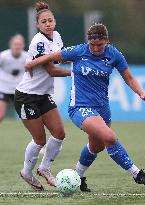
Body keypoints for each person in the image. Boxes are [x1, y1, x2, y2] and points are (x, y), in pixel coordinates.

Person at [25, 23, 145, 192]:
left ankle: (77, 177)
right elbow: (51, 56)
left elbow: (129, 78)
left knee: (97, 146)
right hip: (80, 107)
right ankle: (137, 173)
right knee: (109, 137)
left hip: (102, 107)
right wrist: (31, 63)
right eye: (92, 44)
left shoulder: (114, 54)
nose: (95, 48)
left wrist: (141, 93)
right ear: (88, 42)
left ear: (106, 41)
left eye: (99, 45)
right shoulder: (79, 51)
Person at [14, 1, 71, 191]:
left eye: (50, 20)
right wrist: (75, 72)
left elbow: (62, 57)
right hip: (26, 96)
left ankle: (45, 168)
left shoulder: (57, 36)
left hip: (44, 95)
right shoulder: (39, 41)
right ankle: (27, 172)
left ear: (55, 22)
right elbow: (52, 70)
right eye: (44, 21)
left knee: (60, 133)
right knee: (40, 140)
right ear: (38, 25)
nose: (48, 24)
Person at [0, 34, 27, 122]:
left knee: (26, 116)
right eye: (15, 44)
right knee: (0, 115)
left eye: (19, 44)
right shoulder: (3, 56)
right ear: (11, 45)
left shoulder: (27, 57)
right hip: (4, 88)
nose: (17, 46)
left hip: (19, 89)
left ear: (23, 45)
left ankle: (35, 135)